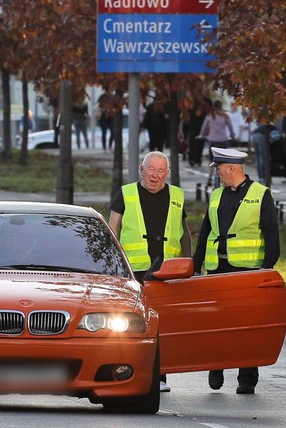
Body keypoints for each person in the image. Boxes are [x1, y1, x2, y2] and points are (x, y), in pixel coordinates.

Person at [191, 147, 280, 395]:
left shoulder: (260, 194)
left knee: (246, 326)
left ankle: (247, 378)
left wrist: (266, 270)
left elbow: (272, 234)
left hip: (247, 272)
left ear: (231, 168)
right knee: (215, 322)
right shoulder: (216, 195)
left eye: (219, 168)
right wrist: (196, 265)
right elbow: (205, 232)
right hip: (217, 269)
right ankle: (216, 367)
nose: (217, 173)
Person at [108, 151, 191, 394]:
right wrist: (114, 266)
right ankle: (124, 371)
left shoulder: (177, 196)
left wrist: (188, 264)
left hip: (167, 271)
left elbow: (184, 233)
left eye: (161, 171)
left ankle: (160, 376)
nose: (155, 175)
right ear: (141, 169)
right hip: (133, 272)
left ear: (167, 173)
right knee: (130, 324)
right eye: (151, 169)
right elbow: (112, 229)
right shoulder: (126, 193)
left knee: (161, 325)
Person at [199, 100, 236, 186]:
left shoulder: (210, 115)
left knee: (211, 159)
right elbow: (230, 127)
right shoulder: (225, 116)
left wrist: (202, 135)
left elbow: (204, 127)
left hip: (213, 141)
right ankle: (224, 178)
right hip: (223, 140)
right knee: (223, 161)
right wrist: (233, 136)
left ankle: (209, 177)